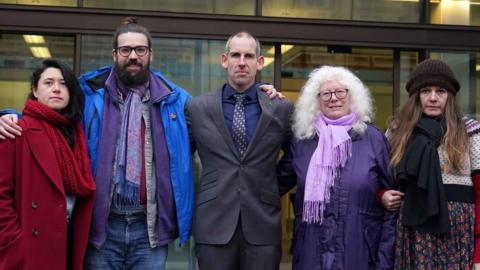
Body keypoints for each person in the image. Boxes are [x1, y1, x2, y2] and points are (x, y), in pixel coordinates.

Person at [0, 17, 194, 269]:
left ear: (150, 54)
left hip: (150, 229)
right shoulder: (88, 92)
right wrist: (7, 116)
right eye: (125, 50)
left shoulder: (176, 101)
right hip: (101, 225)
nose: (133, 56)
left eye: (140, 50)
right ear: (114, 54)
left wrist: (262, 96)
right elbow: (50, 112)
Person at [186, 31, 293, 270]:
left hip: (263, 225)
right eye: (235, 55)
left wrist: (271, 185)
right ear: (224, 60)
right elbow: (180, 159)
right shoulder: (197, 107)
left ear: (260, 62)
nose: (242, 62)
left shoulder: (280, 107)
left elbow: (297, 156)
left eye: (249, 55)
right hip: (213, 224)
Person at [279, 65, 397, 269]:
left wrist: (384, 262)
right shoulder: (303, 142)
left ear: (353, 96)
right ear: (316, 101)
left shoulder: (373, 139)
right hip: (311, 256)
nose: (334, 98)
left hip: (359, 256)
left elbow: (392, 202)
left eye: (340, 91)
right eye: (326, 93)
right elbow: (271, 186)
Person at [0, 59, 96, 270]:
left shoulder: (78, 135)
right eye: (48, 82)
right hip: (31, 245)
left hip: (69, 240)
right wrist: (13, 242)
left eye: (63, 84)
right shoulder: (15, 130)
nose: (56, 89)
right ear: (34, 90)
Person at [387, 59, 480, 269]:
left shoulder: (470, 130)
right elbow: (379, 179)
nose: (433, 98)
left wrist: (479, 251)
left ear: (450, 96)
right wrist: (382, 194)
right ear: (415, 96)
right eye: (425, 90)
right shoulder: (397, 131)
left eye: (441, 91)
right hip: (413, 227)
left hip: (458, 230)